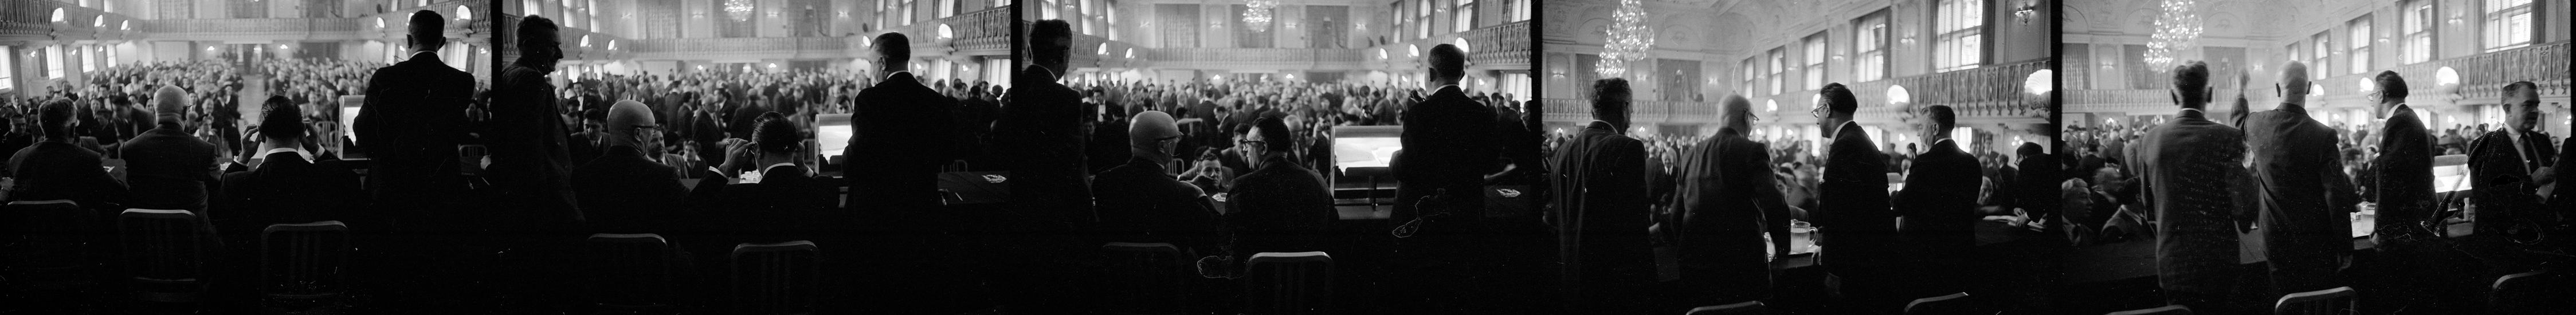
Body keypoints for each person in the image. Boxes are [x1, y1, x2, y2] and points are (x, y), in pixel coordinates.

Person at [2127, 61, 2246, 313]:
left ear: (2173, 96)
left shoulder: (2149, 140)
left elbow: (2149, 207)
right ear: (2209, 94)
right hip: (2219, 266)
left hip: (2174, 265)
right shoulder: (2228, 137)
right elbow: (2245, 213)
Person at [2232, 61, 2360, 296]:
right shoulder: (2324, 135)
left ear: (2278, 89)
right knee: (2318, 301)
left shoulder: (2258, 124)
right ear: (2308, 88)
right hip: (2316, 244)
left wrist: (2240, 90)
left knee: (2285, 301)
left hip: (2275, 242)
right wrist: (2345, 247)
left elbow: (2239, 120)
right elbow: (2336, 196)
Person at [1669, 94, 1795, 306]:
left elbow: (1676, 216)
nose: (1752, 127)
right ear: (1746, 117)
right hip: (1744, 270)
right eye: (1754, 120)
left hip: (1697, 272)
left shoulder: (1689, 155)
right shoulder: (1752, 151)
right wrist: (1783, 253)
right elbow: (1775, 205)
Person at [356, 10, 473, 233]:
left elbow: (363, 129)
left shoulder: (385, 77)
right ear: (442, 43)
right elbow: (460, 129)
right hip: (440, 189)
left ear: (409, 40)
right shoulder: (462, 81)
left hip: (392, 186)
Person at [1547, 78, 1653, 314]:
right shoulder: (1627, 148)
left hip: (1570, 282)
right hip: (1611, 287)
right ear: (1624, 108)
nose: (1631, 117)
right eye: (1631, 110)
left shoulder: (1562, 152)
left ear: (1593, 110)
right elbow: (1635, 230)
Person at [215, 95, 363, 247]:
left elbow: (219, 207)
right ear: (301, 133)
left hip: (261, 262)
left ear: (261, 135)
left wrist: (243, 157)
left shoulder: (236, 184)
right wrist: (316, 148)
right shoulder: (333, 175)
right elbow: (349, 176)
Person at [488, 14, 585, 234]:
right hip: (546, 208)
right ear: (530, 45)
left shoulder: (509, 73)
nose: (560, 54)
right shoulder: (531, 80)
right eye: (553, 46)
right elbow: (531, 154)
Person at [1810, 82, 1899, 312]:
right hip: (1871, 255)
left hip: (1857, 263)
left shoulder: (1846, 145)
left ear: (1827, 109)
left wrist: (1834, 269)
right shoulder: (1857, 137)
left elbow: (1843, 214)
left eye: (1817, 112)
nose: (1817, 120)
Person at [846, 32, 958, 212]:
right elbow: (948, 154)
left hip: (878, 203)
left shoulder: (870, 99)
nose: (872, 70)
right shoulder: (937, 100)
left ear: (882, 62)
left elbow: (857, 155)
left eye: (872, 63)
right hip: (921, 201)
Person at [1092, 111, 1221, 254]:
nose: (1178, 141)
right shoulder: (1181, 193)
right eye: (1177, 137)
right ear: (1162, 147)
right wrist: (1200, 194)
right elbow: (1215, 232)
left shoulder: (1103, 182)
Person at [1895, 104, 1981, 298]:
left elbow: (1903, 203)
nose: (1919, 134)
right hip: (1960, 252)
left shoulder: (1925, 162)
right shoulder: (1972, 163)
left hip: (1926, 256)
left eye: (1921, 127)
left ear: (1935, 129)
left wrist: (1894, 196)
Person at [1222, 117, 1337, 261]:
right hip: (1313, 272)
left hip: (1260, 273)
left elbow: (1233, 244)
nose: (1245, 150)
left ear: (1263, 148)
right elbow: (1333, 229)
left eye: (1248, 144)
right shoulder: (1318, 181)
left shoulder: (1241, 186)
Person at [572, 100, 688, 235]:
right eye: (652, 129)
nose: (653, 134)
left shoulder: (582, 176)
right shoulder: (665, 176)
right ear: (638, 134)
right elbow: (692, 214)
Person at [8, 99, 130, 215]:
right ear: (72, 129)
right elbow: (119, 192)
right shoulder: (88, 159)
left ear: (40, 128)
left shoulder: (17, 159)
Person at [2465, 81, 2554, 239]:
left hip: (2538, 232)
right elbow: (2484, 196)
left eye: (2537, 105)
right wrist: (2530, 182)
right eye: (2528, 105)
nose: (2535, 111)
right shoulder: (2484, 146)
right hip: (2502, 237)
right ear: (2508, 109)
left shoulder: (2542, 141)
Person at [119, 86, 222, 212]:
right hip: (191, 224)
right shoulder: (205, 150)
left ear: (154, 112)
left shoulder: (130, 148)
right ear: (185, 113)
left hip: (145, 224)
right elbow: (218, 188)